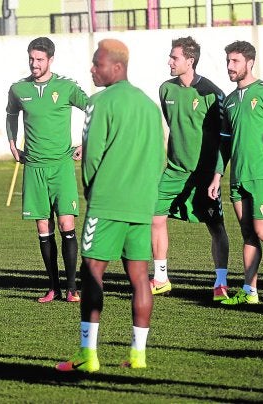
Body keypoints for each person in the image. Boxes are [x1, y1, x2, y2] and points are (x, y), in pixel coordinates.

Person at [56, 39, 164, 373]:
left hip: (107, 203)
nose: (92, 70)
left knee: (92, 274)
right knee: (140, 278)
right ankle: (138, 355)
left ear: (116, 67)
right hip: (141, 204)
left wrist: (92, 193)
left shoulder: (99, 102)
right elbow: (160, 156)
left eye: (97, 64)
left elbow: (91, 154)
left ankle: (89, 356)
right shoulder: (149, 105)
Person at [208, 40, 263, 305]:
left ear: (249, 62)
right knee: (247, 234)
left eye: (234, 61)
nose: (229, 67)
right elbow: (225, 143)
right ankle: (250, 292)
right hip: (238, 177)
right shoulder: (230, 100)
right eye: (227, 61)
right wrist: (217, 175)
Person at [6, 36, 89, 303]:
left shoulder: (66, 87)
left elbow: (94, 109)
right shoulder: (19, 89)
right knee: (43, 226)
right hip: (34, 167)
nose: (34, 64)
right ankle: (53, 287)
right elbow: (10, 114)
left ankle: (72, 288)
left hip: (62, 166)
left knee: (67, 223)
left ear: (50, 60)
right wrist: (12, 143)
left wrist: (85, 144)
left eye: (39, 59)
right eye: (31, 59)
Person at [151, 36, 230, 301]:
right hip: (174, 170)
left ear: (190, 60)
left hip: (204, 175)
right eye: (170, 56)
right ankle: (160, 278)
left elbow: (223, 139)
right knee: (155, 217)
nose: (169, 61)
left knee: (216, 226)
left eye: (174, 57)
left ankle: (220, 282)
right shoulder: (166, 90)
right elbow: (172, 124)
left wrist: (216, 175)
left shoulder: (212, 93)